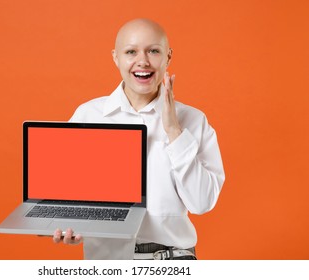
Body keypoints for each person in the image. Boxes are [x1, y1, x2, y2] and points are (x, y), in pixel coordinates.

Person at [52, 18, 225, 260]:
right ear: (116, 57)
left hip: (173, 260)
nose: (142, 61)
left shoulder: (193, 120)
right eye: (131, 51)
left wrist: (174, 131)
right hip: (107, 263)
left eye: (153, 51)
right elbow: (66, 192)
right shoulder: (88, 115)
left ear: (168, 57)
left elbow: (202, 203)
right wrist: (67, 225)